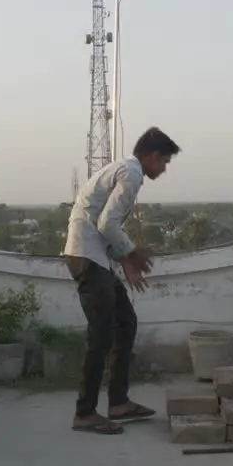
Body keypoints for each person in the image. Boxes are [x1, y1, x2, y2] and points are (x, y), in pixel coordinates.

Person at [63, 126, 181, 435]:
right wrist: (132, 254)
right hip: (87, 257)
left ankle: (118, 402)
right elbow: (107, 223)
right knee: (101, 336)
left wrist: (124, 261)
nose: (165, 169)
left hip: (97, 257)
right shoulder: (132, 174)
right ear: (153, 156)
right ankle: (85, 413)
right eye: (165, 162)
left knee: (125, 322)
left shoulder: (126, 170)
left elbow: (104, 225)